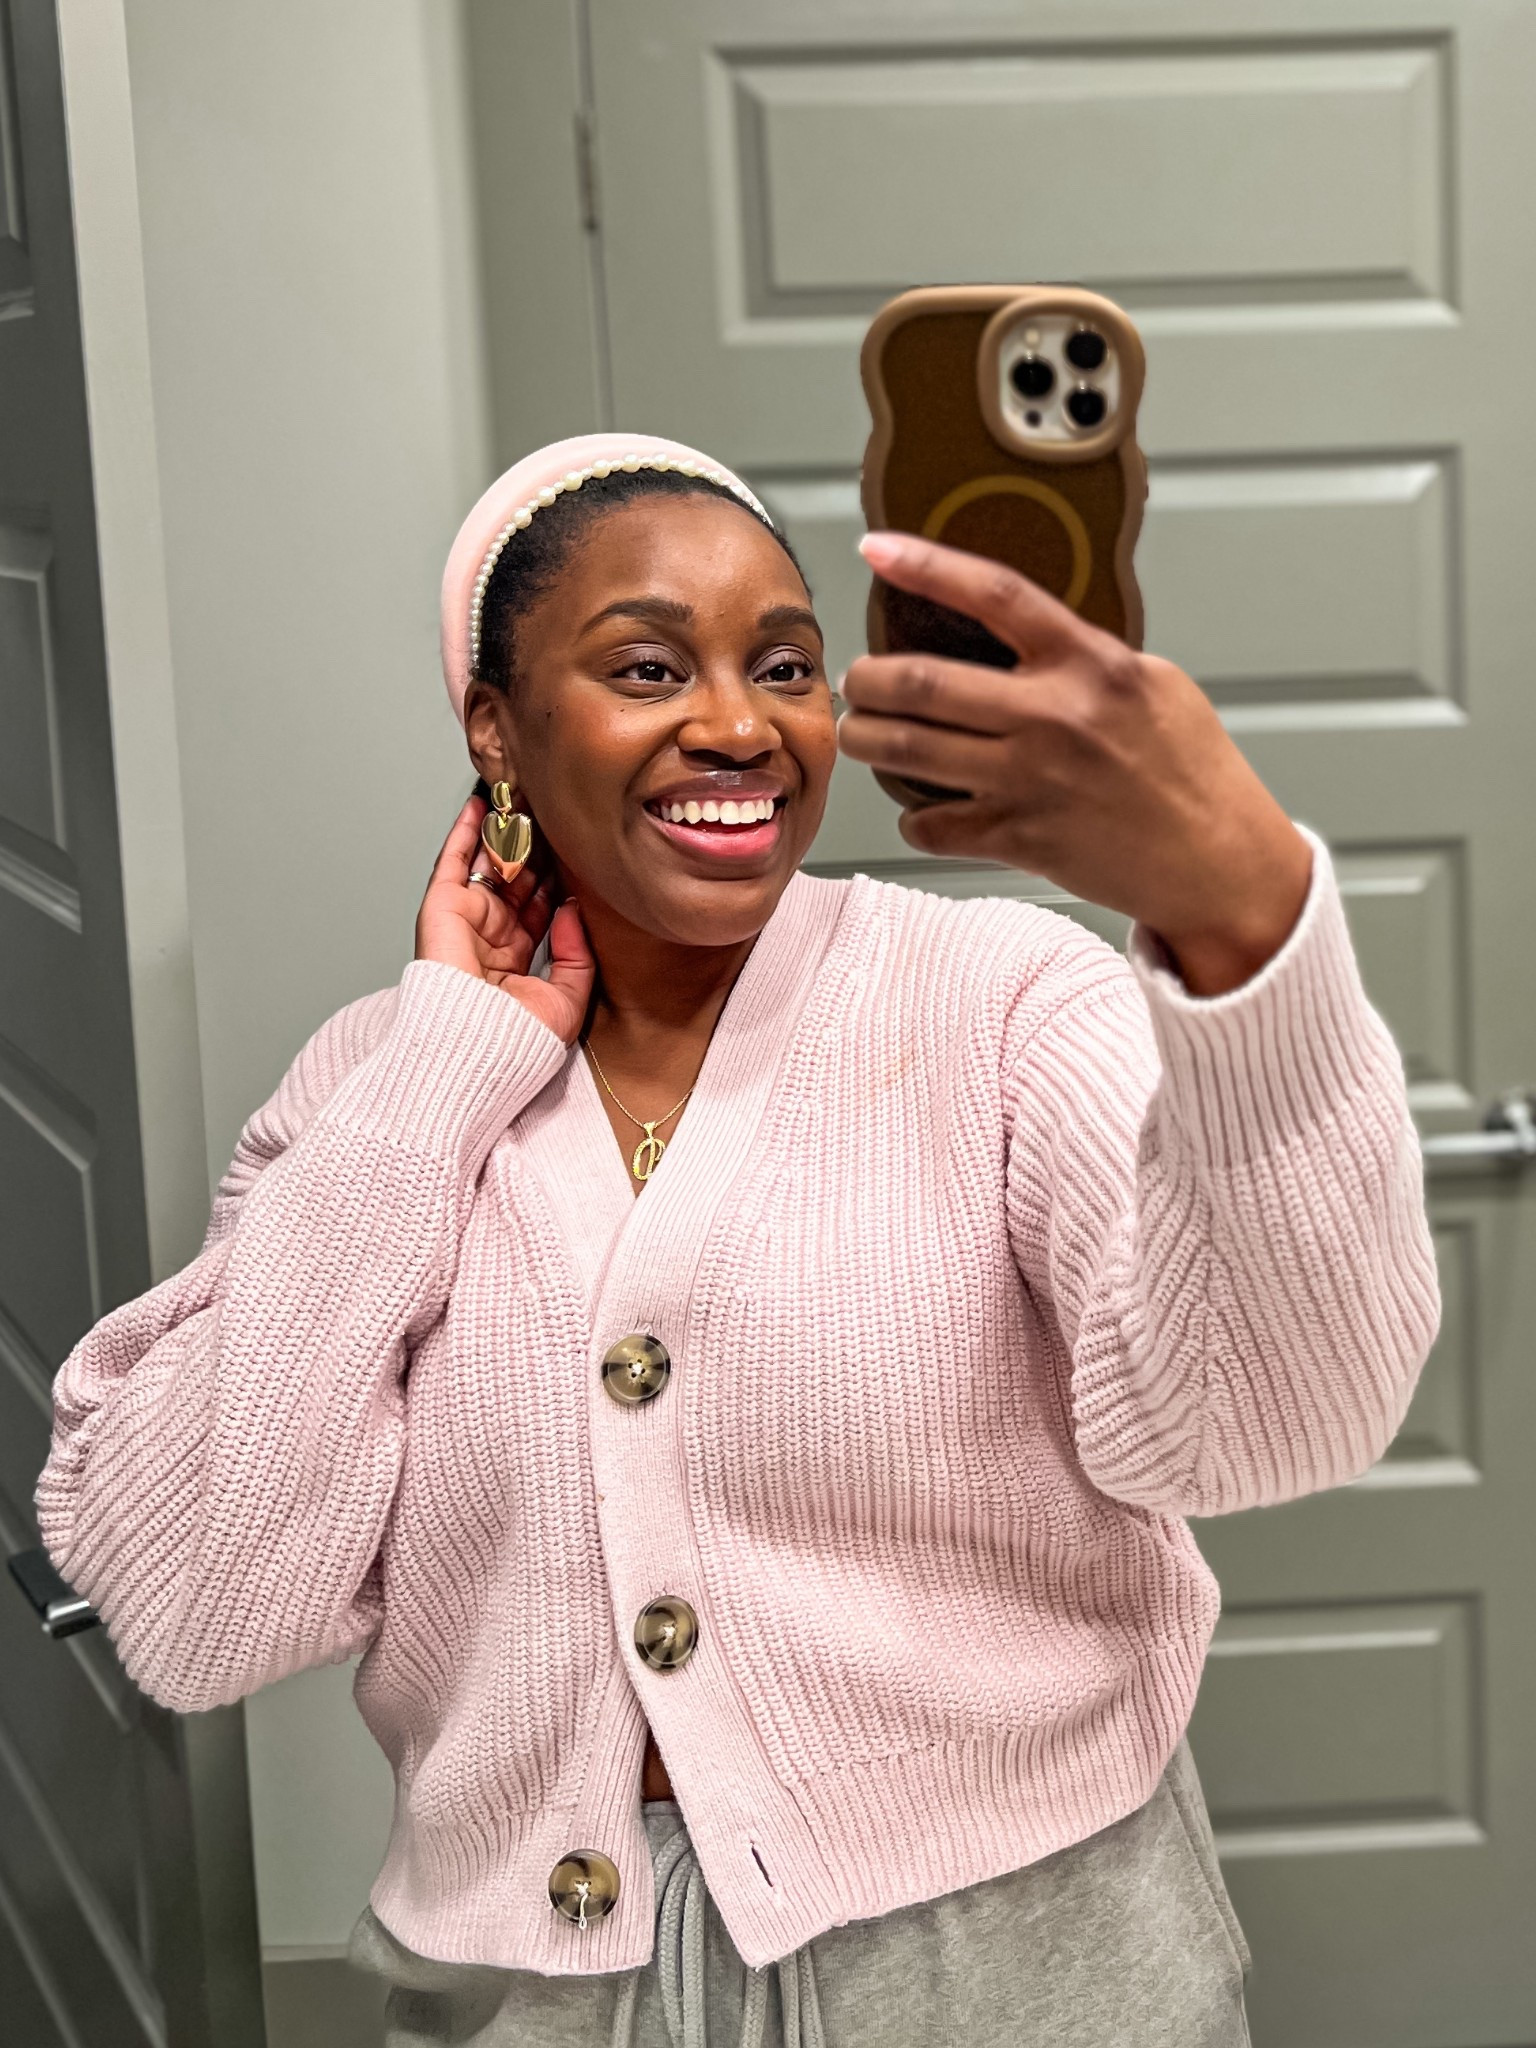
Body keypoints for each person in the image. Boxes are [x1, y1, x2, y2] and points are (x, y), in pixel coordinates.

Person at [37, 432, 1438, 2048]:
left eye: (786, 664)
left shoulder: (997, 1001)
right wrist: (444, 1067)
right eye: (646, 665)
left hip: (1027, 1968)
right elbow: (200, 1604)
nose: (737, 723)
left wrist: (1244, 918)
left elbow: (1273, 1419)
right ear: (495, 725)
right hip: (540, 1994)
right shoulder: (375, 1091)